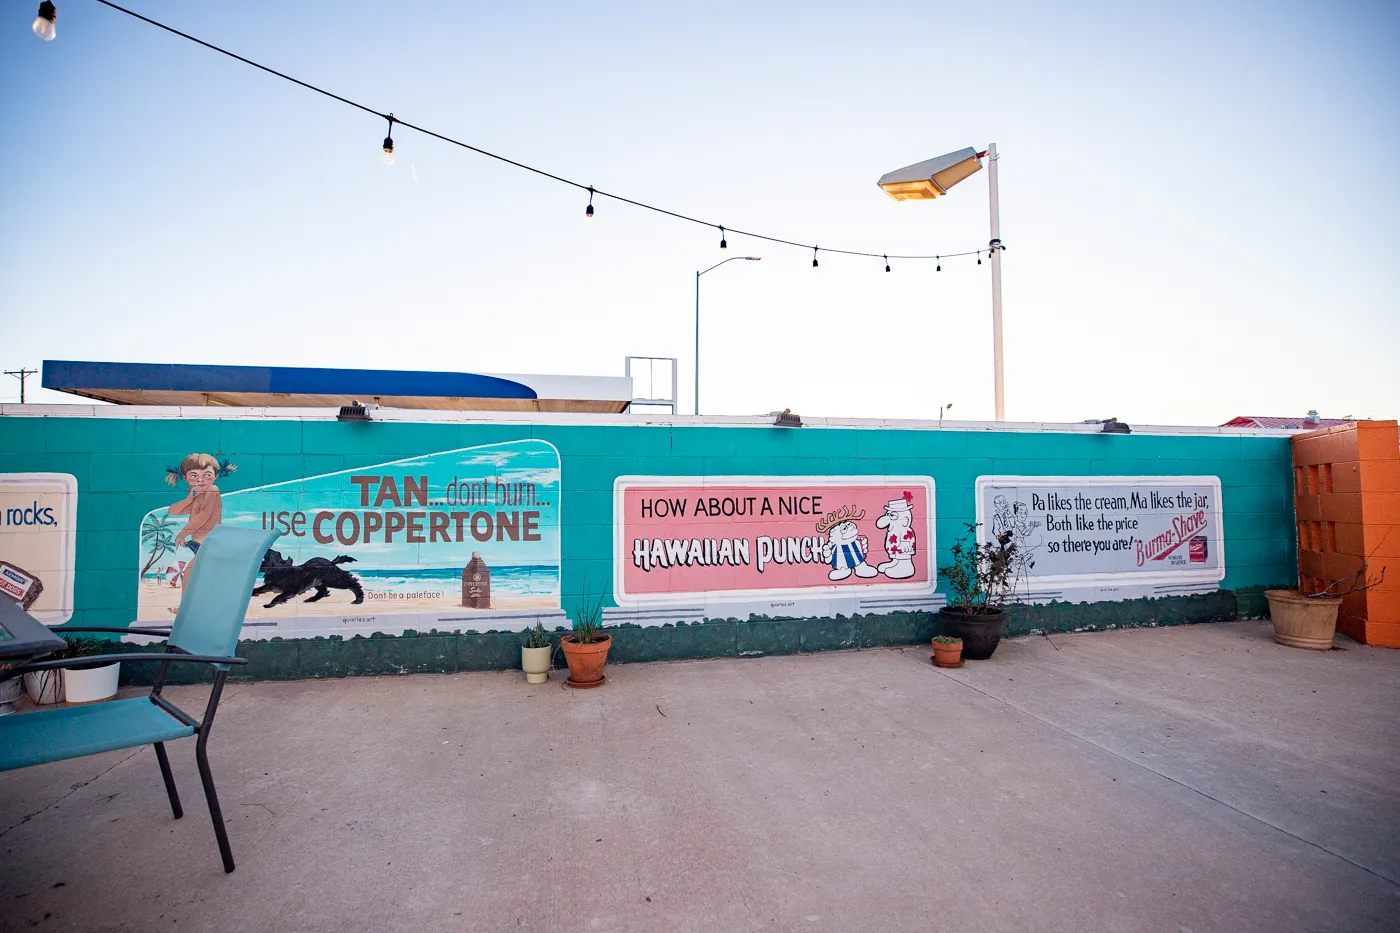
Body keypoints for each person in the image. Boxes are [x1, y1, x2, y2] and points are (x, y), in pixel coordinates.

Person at [166, 453, 223, 553]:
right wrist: (188, 501)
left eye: (207, 475)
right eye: (193, 476)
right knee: (194, 568)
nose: (200, 480)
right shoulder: (197, 498)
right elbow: (172, 511)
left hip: (208, 543)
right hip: (198, 543)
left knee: (194, 568)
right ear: (185, 478)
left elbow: (204, 515)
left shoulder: (212, 490)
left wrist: (182, 534)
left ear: (215, 476)